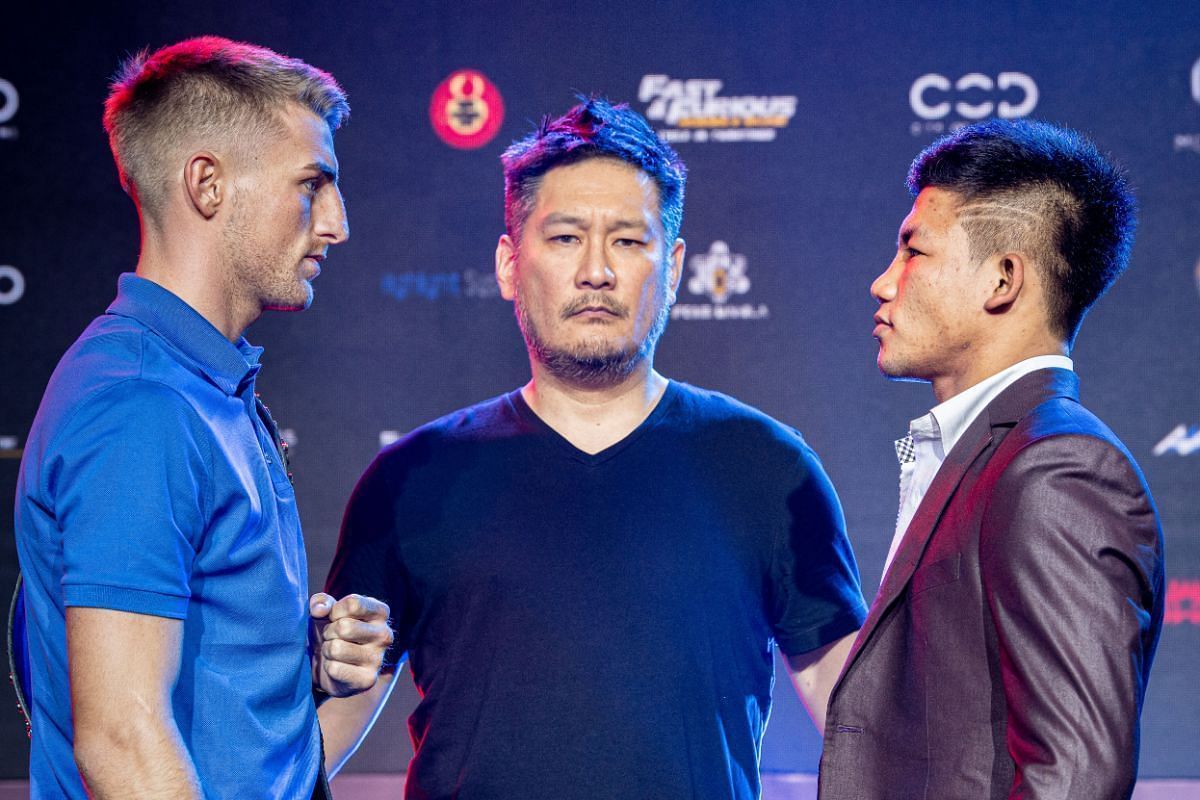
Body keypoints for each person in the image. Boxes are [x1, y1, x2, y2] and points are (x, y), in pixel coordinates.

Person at [318, 98, 868, 799]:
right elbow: (322, 729)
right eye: (566, 238)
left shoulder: (766, 468)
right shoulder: (409, 480)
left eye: (628, 242)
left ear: (671, 267)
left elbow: (862, 724)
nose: (597, 272)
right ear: (510, 264)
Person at [14, 36, 393, 799]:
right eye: (313, 184)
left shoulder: (202, 385)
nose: (338, 224)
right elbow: (123, 741)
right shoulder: (141, 407)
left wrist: (297, 665)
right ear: (208, 185)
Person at [820, 120, 1165, 799]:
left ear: (1003, 279)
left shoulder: (1058, 469)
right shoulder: (998, 454)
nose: (882, 284)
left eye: (912, 251)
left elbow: (1073, 782)